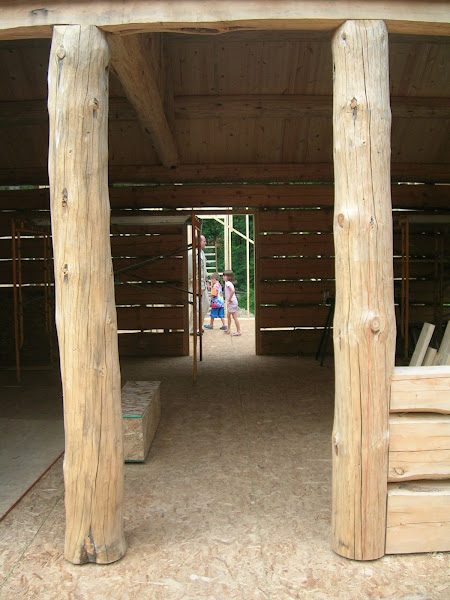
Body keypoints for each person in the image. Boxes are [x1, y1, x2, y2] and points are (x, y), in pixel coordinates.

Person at [187, 234, 210, 334]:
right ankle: (193, 329)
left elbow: (203, 270)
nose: (205, 243)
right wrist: (197, 286)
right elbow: (191, 272)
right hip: (195, 285)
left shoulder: (202, 253)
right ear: (198, 242)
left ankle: (198, 326)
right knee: (196, 308)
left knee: (205, 305)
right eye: (203, 241)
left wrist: (207, 281)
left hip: (203, 285)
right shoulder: (191, 254)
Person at [223, 270, 241, 336]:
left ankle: (238, 331)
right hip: (232, 302)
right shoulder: (229, 283)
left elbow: (233, 290)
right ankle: (228, 329)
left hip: (232, 302)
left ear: (228, 277)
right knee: (229, 315)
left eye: (225, 276)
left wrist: (229, 299)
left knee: (234, 316)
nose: (223, 277)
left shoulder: (228, 283)